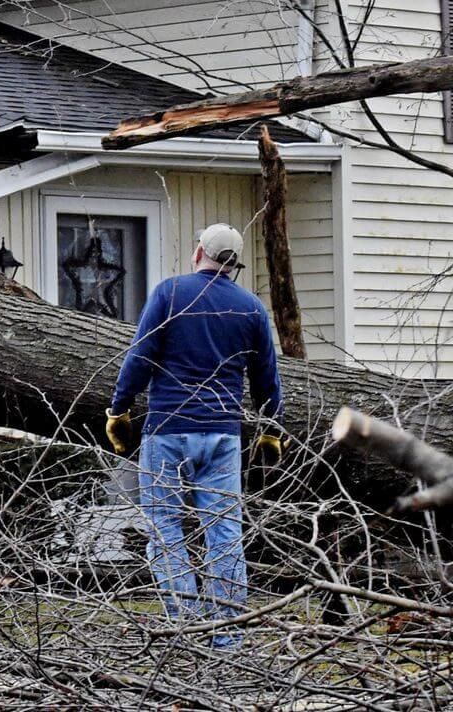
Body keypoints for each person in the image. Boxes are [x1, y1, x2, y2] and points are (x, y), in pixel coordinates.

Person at [104, 223, 284, 649]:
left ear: (199, 250)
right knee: (224, 531)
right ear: (233, 263)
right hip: (222, 436)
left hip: (167, 430)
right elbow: (266, 380)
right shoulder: (251, 308)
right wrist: (271, 430)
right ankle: (227, 639)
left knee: (165, 527)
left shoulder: (169, 293)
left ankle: (185, 627)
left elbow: (141, 355)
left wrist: (119, 408)